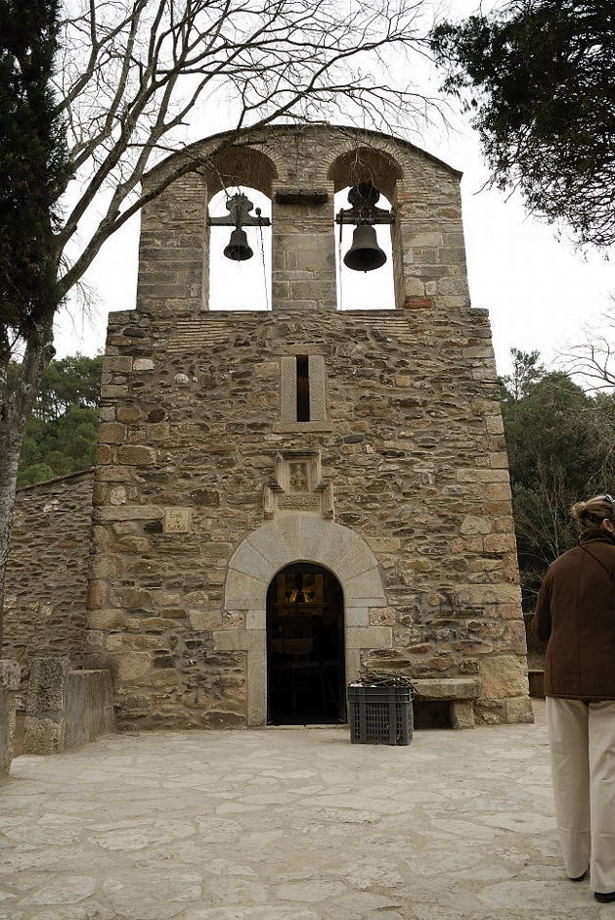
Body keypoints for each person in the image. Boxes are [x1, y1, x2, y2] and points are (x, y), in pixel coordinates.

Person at [532, 494, 615, 903]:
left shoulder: (557, 567)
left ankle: (574, 862)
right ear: (611, 525)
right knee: (608, 774)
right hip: (610, 684)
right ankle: (607, 877)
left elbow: (541, 630)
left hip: (561, 681)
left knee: (568, 771)